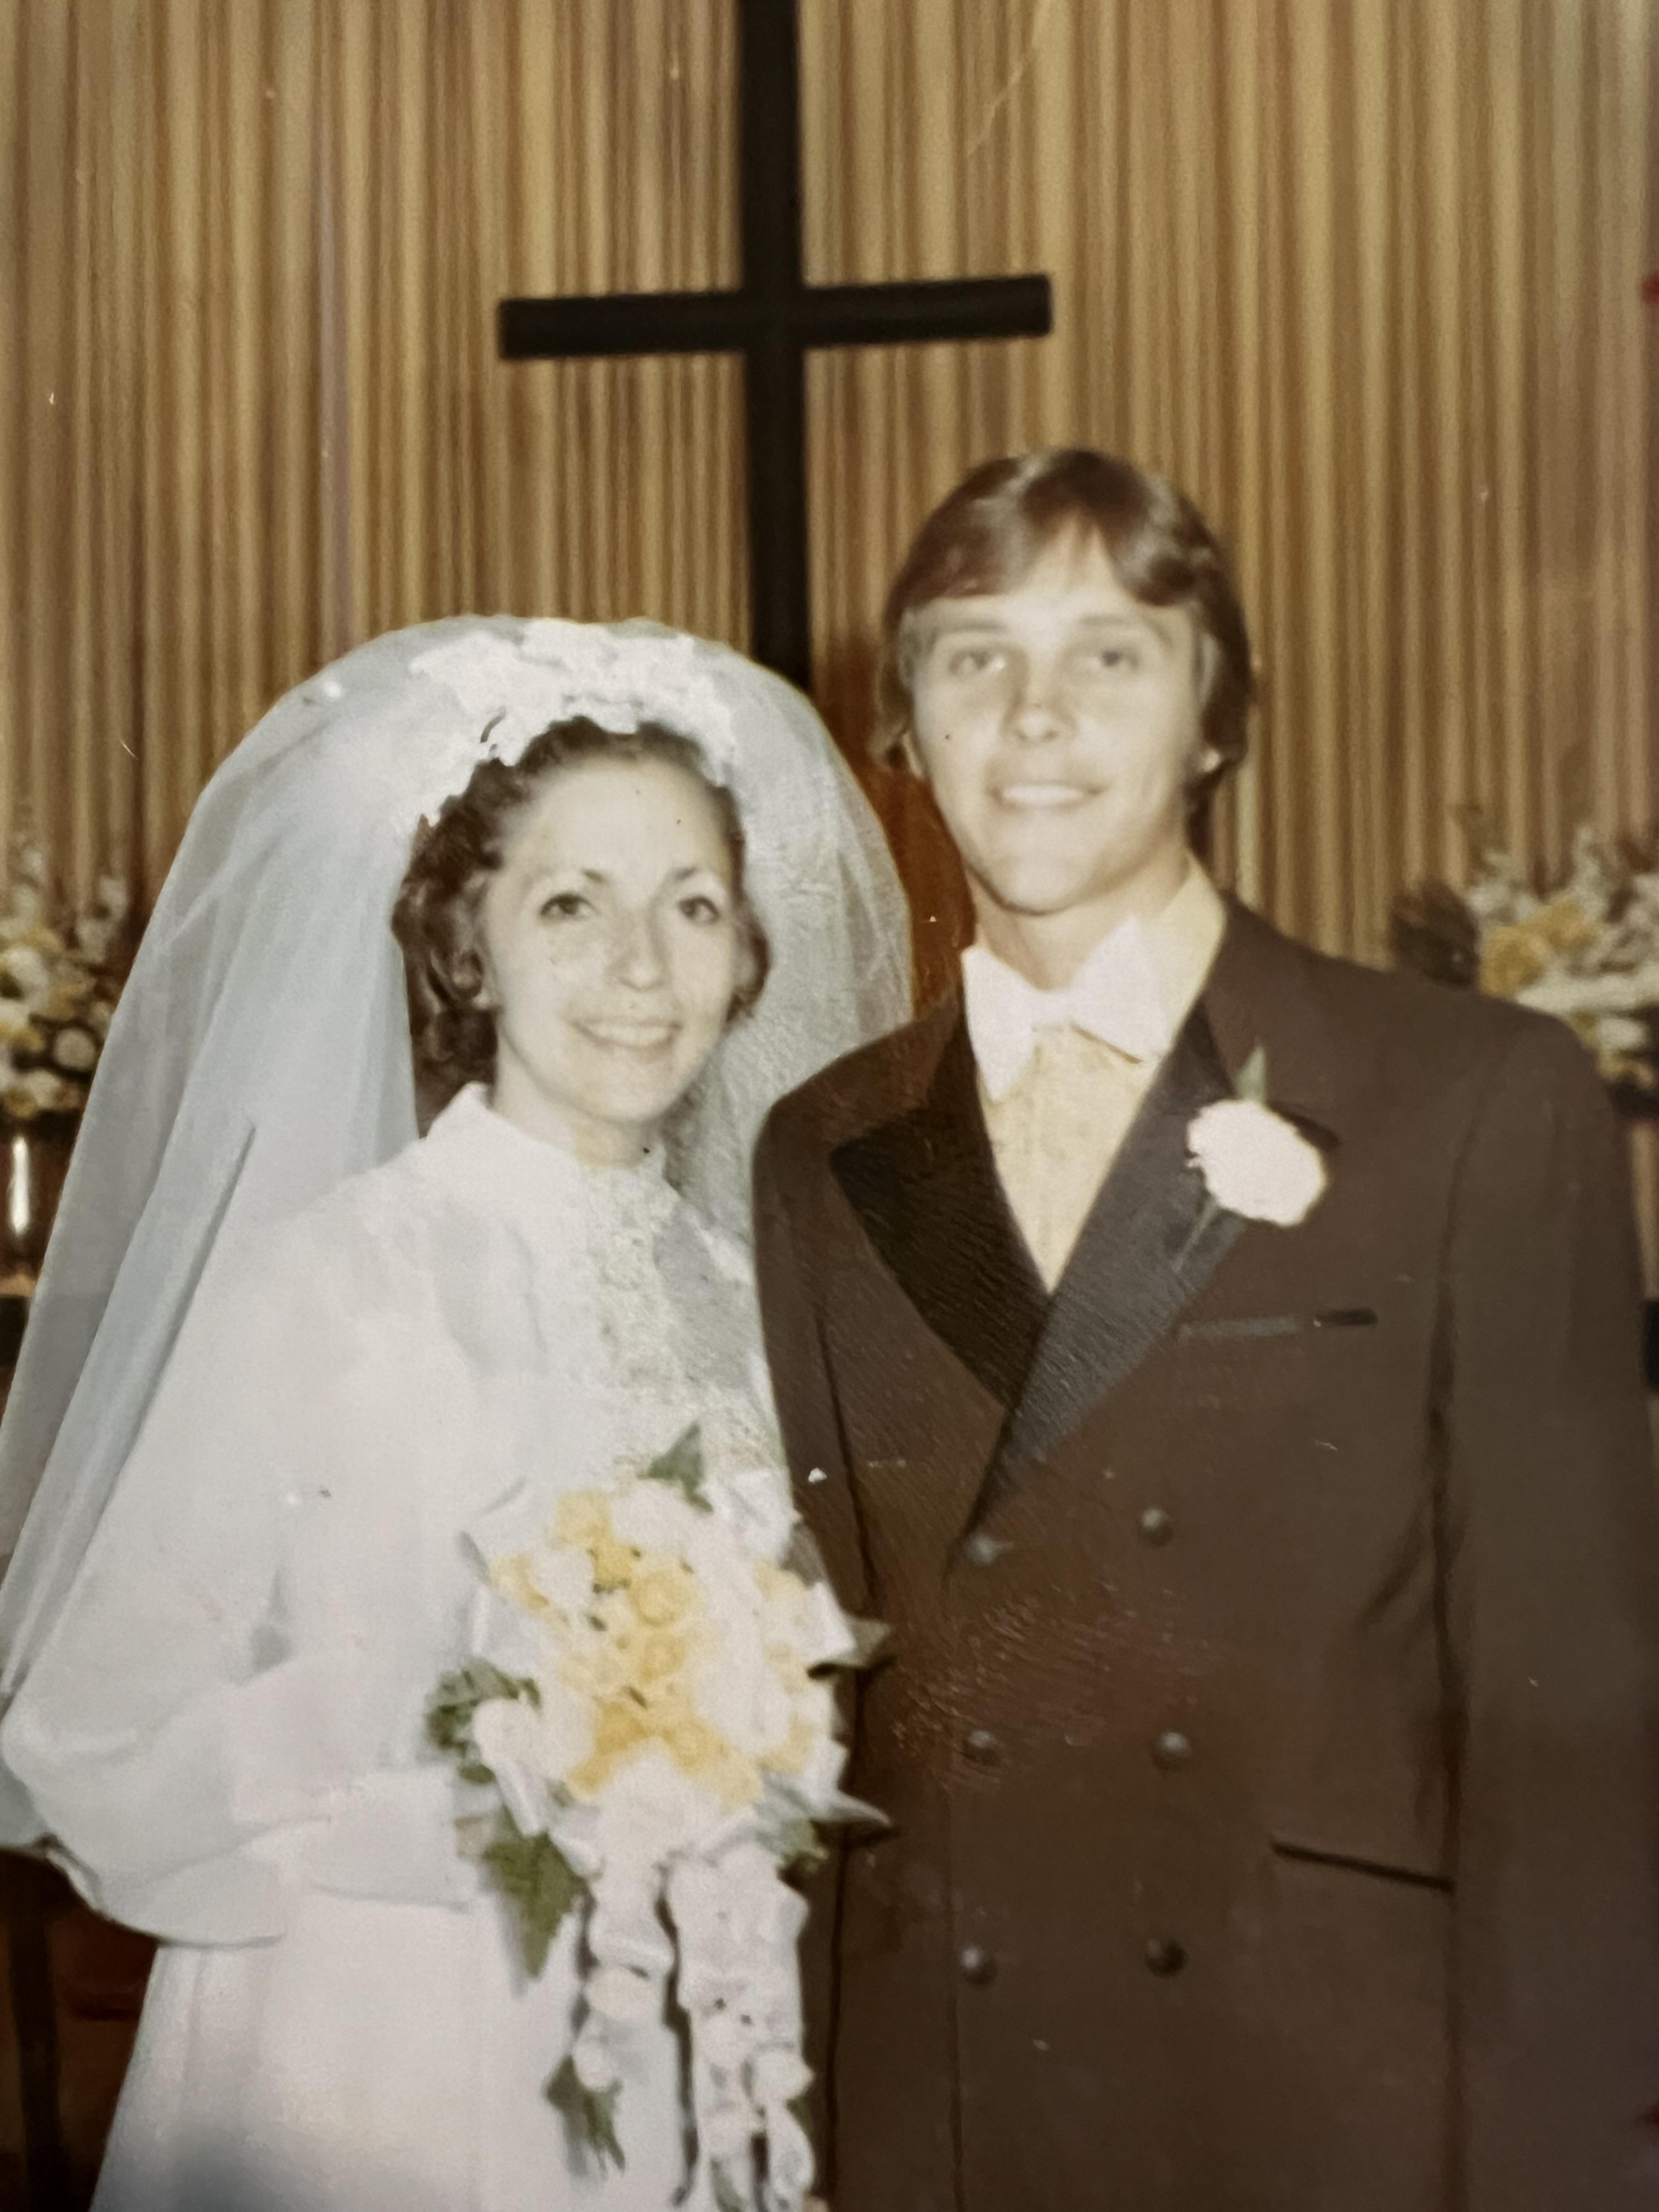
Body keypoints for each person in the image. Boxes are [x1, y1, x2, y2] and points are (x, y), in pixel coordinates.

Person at [752, 448, 1659, 2212]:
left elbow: (1575, 1761)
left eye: (1111, 655)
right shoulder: (822, 1149)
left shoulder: (1466, 1100)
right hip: (940, 2112)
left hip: (1321, 2107)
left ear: (1217, 719)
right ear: (904, 728)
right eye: (971, 657)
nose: (1033, 718)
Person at [0, 617, 909, 2212]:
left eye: (691, 906)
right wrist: (460, 1779)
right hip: (373, 2056)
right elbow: (89, 1727)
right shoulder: (326, 1286)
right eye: (573, 903)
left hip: (694, 2047)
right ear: (465, 945)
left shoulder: (759, 1299)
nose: (642, 968)